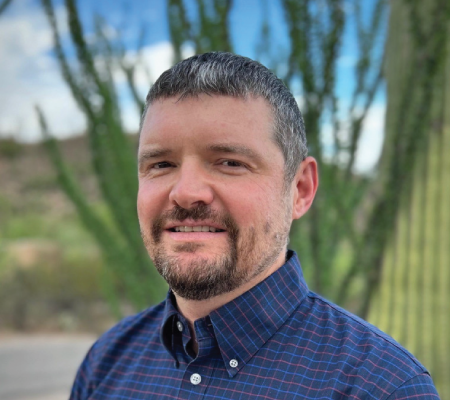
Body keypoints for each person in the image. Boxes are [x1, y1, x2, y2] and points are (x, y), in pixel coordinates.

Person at [70, 52, 439, 399]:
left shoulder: (381, 387)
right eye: (161, 164)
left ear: (300, 189)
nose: (185, 193)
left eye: (229, 162)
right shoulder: (106, 365)